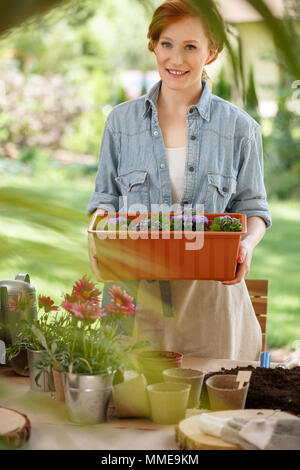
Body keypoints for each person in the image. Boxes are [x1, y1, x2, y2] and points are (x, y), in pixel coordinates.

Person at [87, 0, 271, 360]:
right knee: (127, 410)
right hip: (135, 300)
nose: (176, 59)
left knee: (210, 412)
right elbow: (104, 200)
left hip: (211, 302)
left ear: (211, 51)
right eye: (167, 44)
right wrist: (97, 241)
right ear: (153, 44)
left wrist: (246, 246)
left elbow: (253, 208)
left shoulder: (240, 129)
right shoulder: (121, 123)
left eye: (191, 47)